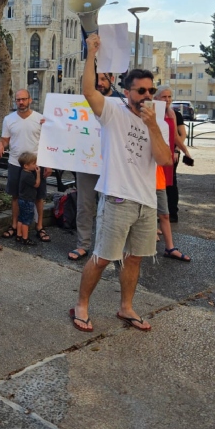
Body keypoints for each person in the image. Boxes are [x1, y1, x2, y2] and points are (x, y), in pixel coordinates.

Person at [69, 34, 172, 333]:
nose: (147, 95)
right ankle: (82, 306)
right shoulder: (113, 111)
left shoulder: (156, 119)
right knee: (102, 257)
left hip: (146, 201)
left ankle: (126, 307)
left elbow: (164, 159)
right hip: (117, 197)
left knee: (134, 259)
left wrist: (152, 123)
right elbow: (88, 90)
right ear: (127, 92)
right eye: (141, 91)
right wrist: (92, 54)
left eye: (151, 90)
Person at [68, 72, 122, 261]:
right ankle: (83, 244)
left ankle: (106, 248)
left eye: (103, 79)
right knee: (85, 205)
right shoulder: (80, 103)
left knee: (111, 208)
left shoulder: (122, 104)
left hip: (112, 165)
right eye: (95, 79)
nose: (99, 83)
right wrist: (51, 124)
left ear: (112, 81)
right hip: (86, 164)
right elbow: (66, 126)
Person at [0, 89, 50, 243]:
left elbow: (47, 142)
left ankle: (39, 226)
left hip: (36, 165)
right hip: (15, 163)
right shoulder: (8, 119)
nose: (21, 102)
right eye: (18, 100)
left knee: (39, 197)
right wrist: (0, 143)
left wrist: (49, 164)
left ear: (30, 100)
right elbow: (5, 139)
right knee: (16, 196)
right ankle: (14, 225)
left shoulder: (40, 119)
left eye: (24, 99)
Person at [154, 86, 192, 262]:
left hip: (165, 163)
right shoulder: (150, 112)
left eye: (169, 96)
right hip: (152, 164)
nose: (167, 99)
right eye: (163, 96)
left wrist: (185, 151)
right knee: (149, 201)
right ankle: (152, 232)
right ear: (156, 98)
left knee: (165, 207)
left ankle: (170, 247)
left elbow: (176, 136)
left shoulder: (172, 114)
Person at [16, 152, 42, 246]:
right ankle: (25, 238)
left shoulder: (23, 173)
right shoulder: (29, 175)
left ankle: (19, 234)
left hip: (22, 199)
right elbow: (36, 184)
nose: (35, 165)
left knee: (21, 217)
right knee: (26, 221)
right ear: (26, 166)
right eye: (33, 163)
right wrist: (38, 174)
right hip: (28, 200)